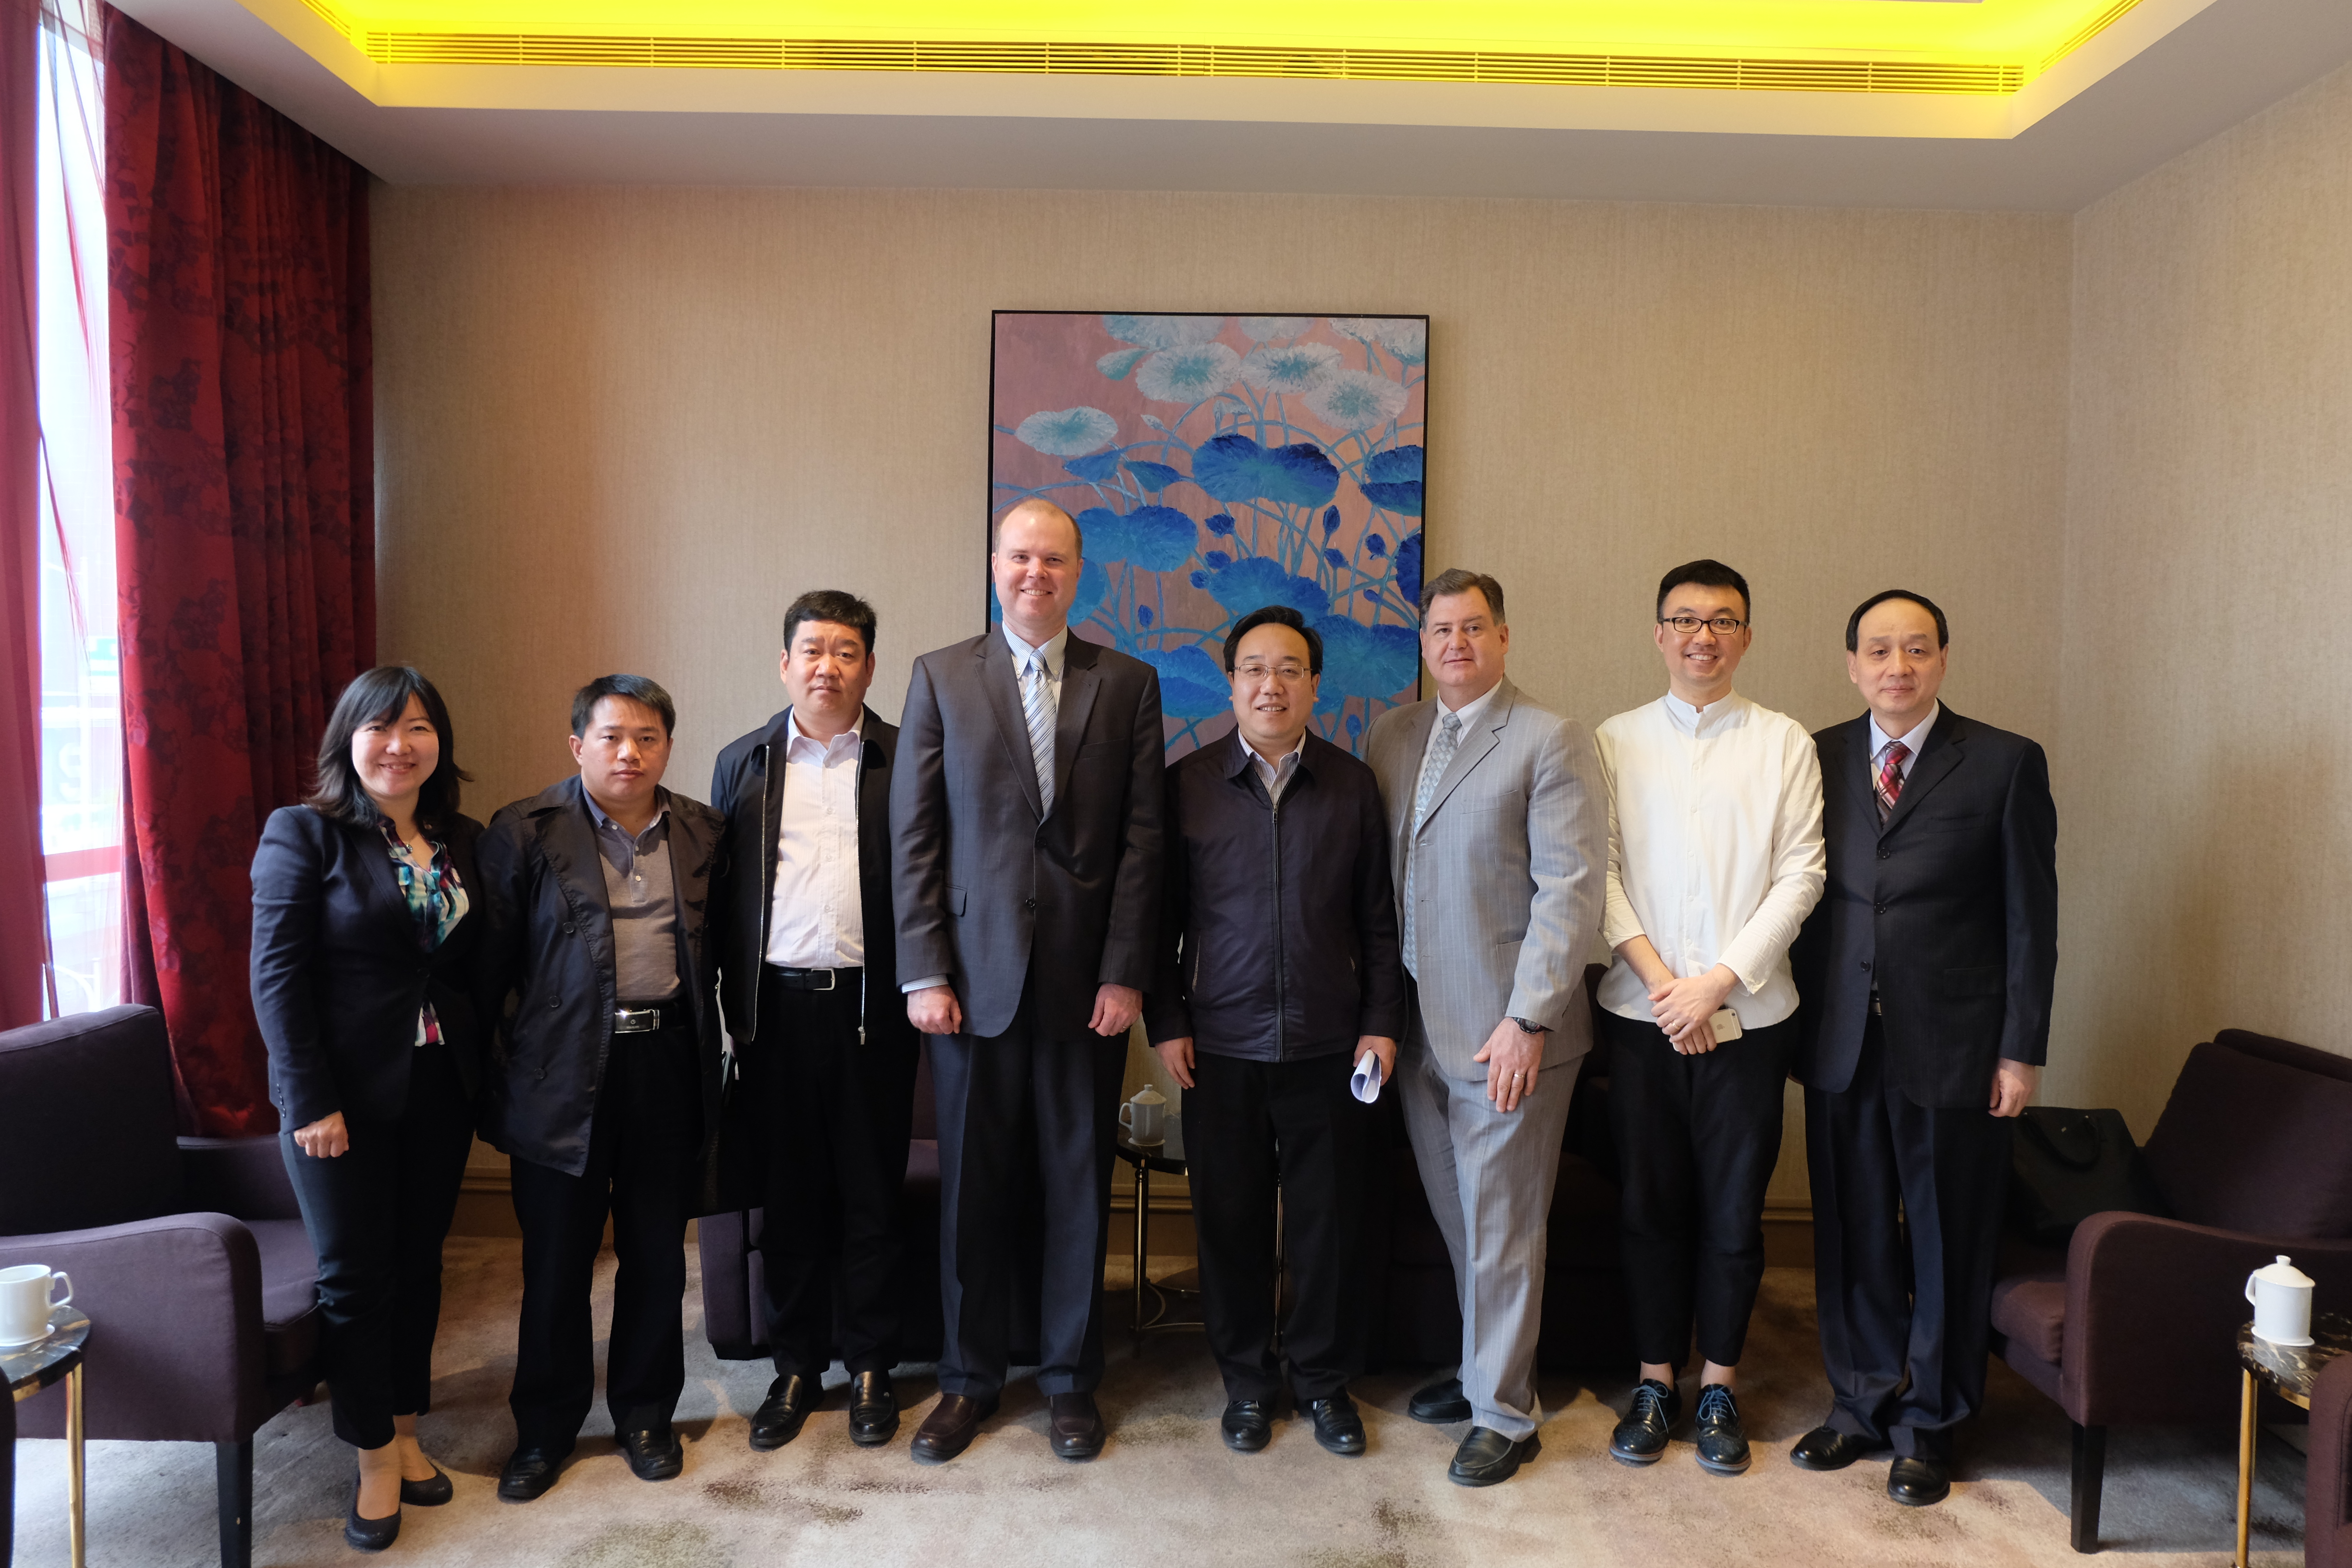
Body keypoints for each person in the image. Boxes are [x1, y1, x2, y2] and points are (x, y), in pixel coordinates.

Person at [891, 497, 1164, 1464]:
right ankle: (967, 1380)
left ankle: (1069, 1380)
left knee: (1077, 1191)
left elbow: (1143, 843)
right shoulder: (940, 677)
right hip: (970, 989)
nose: (1034, 573)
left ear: (1078, 572)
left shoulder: (1127, 683)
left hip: (1086, 994)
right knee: (973, 1193)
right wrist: (924, 968)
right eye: (1019, 556)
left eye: (1053, 559)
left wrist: (1125, 973)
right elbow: (916, 836)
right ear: (995, 565)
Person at [1788, 589, 2056, 1507]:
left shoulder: (2007, 762)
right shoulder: (1815, 755)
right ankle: (1861, 1402)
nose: (1896, 666)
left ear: (1943, 658)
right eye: (1878, 650)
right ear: (1851, 665)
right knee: (1852, 1226)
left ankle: (1932, 1422)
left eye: (1915, 649)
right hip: (1841, 1037)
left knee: (1948, 1234)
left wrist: (2020, 1050)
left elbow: (2031, 920)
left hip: (1957, 1044)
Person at [1364, 568, 1608, 1488]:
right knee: (1461, 1222)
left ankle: (1506, 1416)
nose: (1456, 644)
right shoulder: (1392, 736)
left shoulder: (1549, 737)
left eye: (1473, 628)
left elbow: (1569, 892)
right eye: (1441, 630)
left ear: (1503, 637)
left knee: (1503, 1227)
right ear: (1423, 643)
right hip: (1417, 1030)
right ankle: (1483, 1375)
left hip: (1510, 1036)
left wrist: (1527, 1018)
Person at [1146, 605, 1406, 1458]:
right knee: (1231, 1225)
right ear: (1231, 684)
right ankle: (1249, 1385)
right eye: (1254, 669)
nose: (1271, 685)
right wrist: (1168, 1021)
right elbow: (1159, 922)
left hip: (1331, 1045)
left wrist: (1381, 1024)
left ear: (1314, 685)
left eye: (1289, 669)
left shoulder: (1352, 785)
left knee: (1328, 1227)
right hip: (1219, 1046)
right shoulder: (1187, 785)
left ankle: (1324, 1382)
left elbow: (1378, 922)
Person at [251, 666, 489, 1552]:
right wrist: (309, 1098)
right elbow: (276, 976)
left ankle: (409, 1426)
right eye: (380, 727)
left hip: (438, 1086)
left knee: (421, 1266)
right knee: (355, 1278)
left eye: (419, 727)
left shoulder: (461, 837)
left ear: (440, 743)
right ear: (348, 740)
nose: (400, 744)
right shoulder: (304, 833)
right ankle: (375, 1457)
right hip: (338, 1101)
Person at [1595, 559, 1825, 1476]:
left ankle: (1722, 1384)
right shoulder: (1614, 740)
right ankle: (1656, 1382)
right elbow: (1599, 871)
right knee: (1648, 1206)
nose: (1704, 636)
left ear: (1747, 637)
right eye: (1686, 620)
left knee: (1735, 1210)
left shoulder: (1784, 741)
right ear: (1659, 635)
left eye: (1723, 621)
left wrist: (1717, 984)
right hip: (1639, 1016)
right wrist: (1668, 989)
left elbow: (1802, 874)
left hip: (1751, 1022)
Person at [476, 675, 727, 1499]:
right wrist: (510, 1072)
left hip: (668, 1064)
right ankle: (544, 1431)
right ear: (578, 745)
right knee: (557, 1260)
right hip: (561, 1070)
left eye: (648, 738)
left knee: (656, 1255)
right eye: (612, 737)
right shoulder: (525, 829)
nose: (630, 753)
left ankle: (645, 1416)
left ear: (667, 747)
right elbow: (490, 970)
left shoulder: (703, 830)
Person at [710, 589, 921, 1450]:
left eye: (845, 651)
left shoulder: (907, 757)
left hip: (876, 1015)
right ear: (785, 663)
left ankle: (873, 1366)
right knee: (789, 1203)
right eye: (812, 649)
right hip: (776, 1016)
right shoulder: (744, 762)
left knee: (873, 1199)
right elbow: (724, 895)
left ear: (869, 668)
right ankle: (794, 1366)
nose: (827, 666)